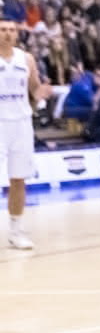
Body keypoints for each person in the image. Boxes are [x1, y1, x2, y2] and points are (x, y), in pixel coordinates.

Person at [0, 19, 44, 249]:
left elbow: (35, 88)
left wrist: (41, 92)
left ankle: (16, 231)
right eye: (3, 30)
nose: (8, 34)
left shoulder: (26, 58)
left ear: (17, 34)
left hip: (21, 123)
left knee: (18, 179)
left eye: (11, 30)